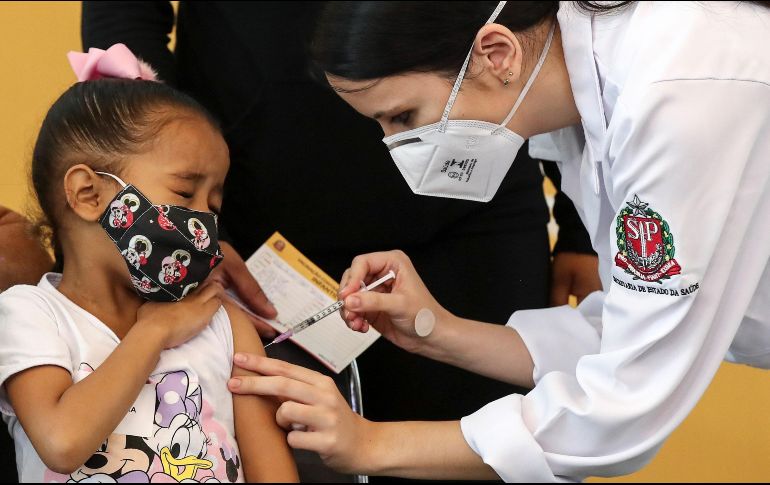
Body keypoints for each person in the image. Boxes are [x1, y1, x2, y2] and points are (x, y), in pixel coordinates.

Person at [227, 1, 770, 481]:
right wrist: (436, 331)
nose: (395, 148)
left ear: (496, 53)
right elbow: (628, 332)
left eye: (403, 117)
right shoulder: (571, 104)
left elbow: (623, 406)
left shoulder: (677, 91)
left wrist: (372, 443)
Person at [80, 0, 600, 443]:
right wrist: (184, 217)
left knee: (499, 438)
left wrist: (585, 227)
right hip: (262, 231)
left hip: (474, 205)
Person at [0, 45, 298, 483]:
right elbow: (62, 442)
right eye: (184, 194)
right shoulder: (28, 314)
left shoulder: (222, 323)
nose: (202, 223)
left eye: (213, 206)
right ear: (88, 194)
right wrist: (155, 331)